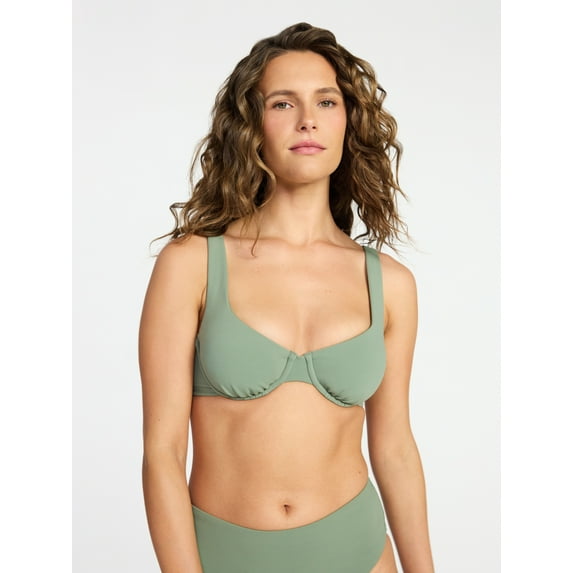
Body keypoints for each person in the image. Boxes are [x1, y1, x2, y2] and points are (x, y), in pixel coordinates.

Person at [139, 22, 434, 573]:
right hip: (225, 556)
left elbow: (394, 448)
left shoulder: (390, 283)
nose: (307, 119)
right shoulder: (193, 264)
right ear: (251, 126)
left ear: (347, 121)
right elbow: (162, 452)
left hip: (358, 553)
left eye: (326, 101)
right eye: (282, 103)